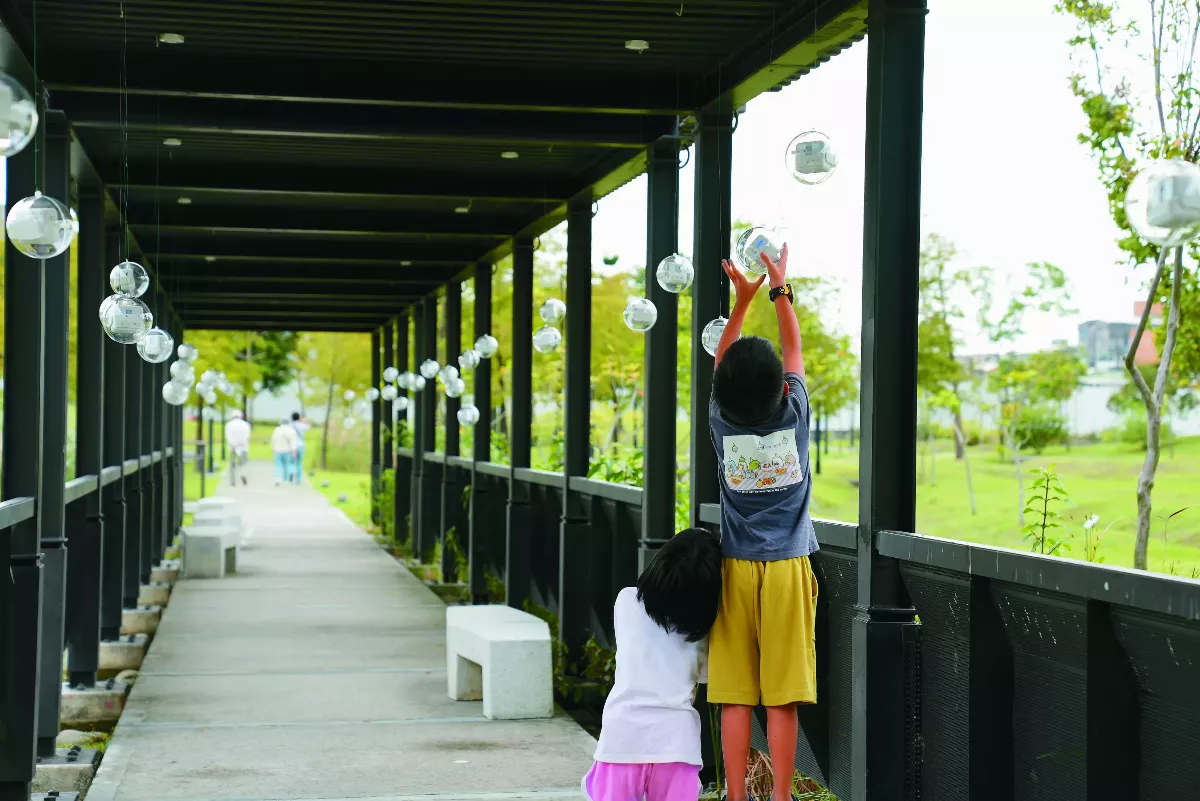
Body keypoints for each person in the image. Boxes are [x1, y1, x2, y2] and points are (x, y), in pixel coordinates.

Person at [708, 244, 818, 801]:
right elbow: (794, 347)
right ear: (780, 387)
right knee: (781, 697)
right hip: (787, 570)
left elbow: (722, 366)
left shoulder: (721, 419)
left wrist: (741, 302)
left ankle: (733, 795)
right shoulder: (793, 413)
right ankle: (779, 796)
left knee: (736, 696)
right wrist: (778, 288)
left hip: (733, 568)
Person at [582, 528, 723, 801]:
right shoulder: (702, 631)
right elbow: (705, 678)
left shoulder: (626, 601)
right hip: (677, 744)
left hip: (622, 737)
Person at [224, 410, 252, 486]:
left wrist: (233, 444)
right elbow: (247, 436)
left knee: (232, 464)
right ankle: (243, 474)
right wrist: (241, 443)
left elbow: (228, 436)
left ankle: (233, 481)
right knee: (243, 463)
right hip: (243, 447)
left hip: (233, 447)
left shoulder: (229, 425)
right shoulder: (245, 425)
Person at [270, 417, 299, 487]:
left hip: (278, 450)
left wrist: (273, 447)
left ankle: (278, 478)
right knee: (287, 465)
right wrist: (294, 450)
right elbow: (293, 441)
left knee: (278, 465)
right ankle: (286, 479)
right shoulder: (291, 430)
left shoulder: (277, 429)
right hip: (287, 450)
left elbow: (273, 439)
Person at [289, 412, 311, 485]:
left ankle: (291, 474)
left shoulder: (290, 425)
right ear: (298, 417)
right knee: (299, 463)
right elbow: (309, 426)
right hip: (301, 445)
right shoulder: (302, 425)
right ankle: (298, 480)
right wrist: (304, 421)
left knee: (291, 462)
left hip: (292, 446)